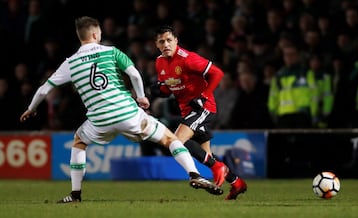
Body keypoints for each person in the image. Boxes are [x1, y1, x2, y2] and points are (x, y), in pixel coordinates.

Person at [19, 16, 223, 203]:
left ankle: (75, 194)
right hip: (127, 112)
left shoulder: (70, 63)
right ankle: (194, 175)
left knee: (79, 141)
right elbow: (134, 74)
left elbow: (45, 89)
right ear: (95, 35)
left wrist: (31, 108)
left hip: (98, 120)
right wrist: (142, 97)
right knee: (170, 139)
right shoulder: (112, 51)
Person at [152, 25, 247, 200]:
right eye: (161, 41)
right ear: (157, 44)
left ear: (176, 41)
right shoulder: (160, 62)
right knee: (207, 155)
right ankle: (236, 183)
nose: (165, 44)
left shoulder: (188, 58)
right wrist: (160, 90)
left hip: (204, 108)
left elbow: (217, 73)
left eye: (169, 40)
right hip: (187, 111)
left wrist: (203, 96)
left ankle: (218, 168)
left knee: (177, 140)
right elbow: (169, 87)